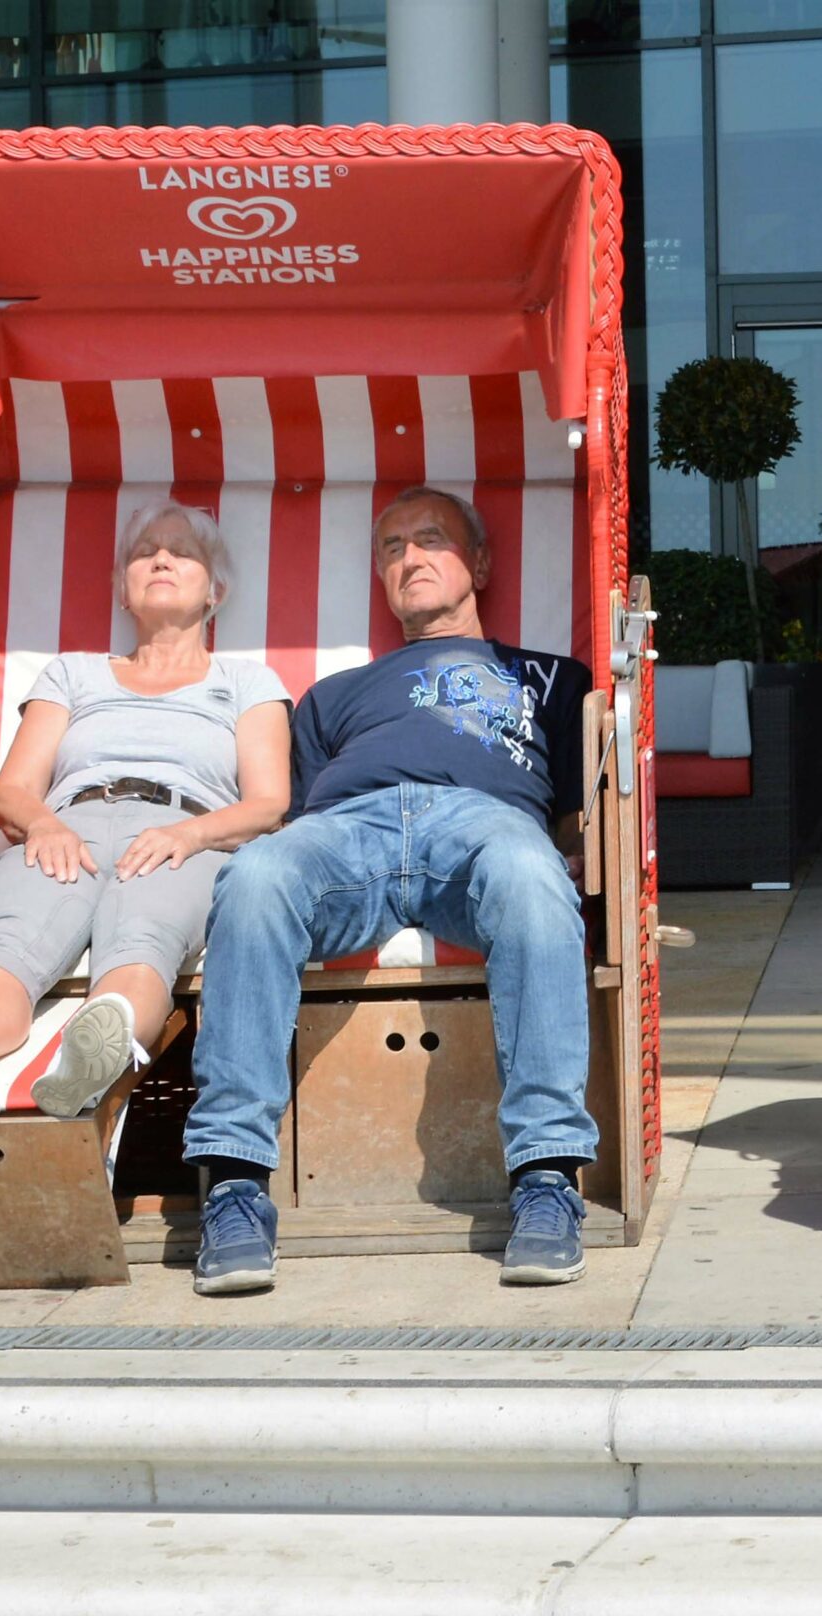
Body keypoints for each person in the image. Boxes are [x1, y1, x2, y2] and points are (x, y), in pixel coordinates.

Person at [178, 485, 595, 1296]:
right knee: (257, 877)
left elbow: (577, 817)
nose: (409, 557)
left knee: (532, 874)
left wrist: (571, 854)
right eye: (393, 549)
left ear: (480, 564)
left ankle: (547, 1177)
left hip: (486, 823)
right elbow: (295, 818)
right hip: (351, 830)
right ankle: (234, 1187)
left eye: (431, 539)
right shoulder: (333, 696)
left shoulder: (549, 677)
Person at [0, 501, 292, 1123]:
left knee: (143, 939)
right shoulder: (72, 674)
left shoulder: (246, 682)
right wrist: (44, 824)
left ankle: (96, 1052)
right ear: (124, 592)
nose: (161, 559)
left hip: (184, 834)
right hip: (66, 828)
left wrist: (189, 835)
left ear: (215, 590)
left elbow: (269, 805)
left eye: (182, 552)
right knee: (8, 945)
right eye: (145, 553)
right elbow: (13, 790)